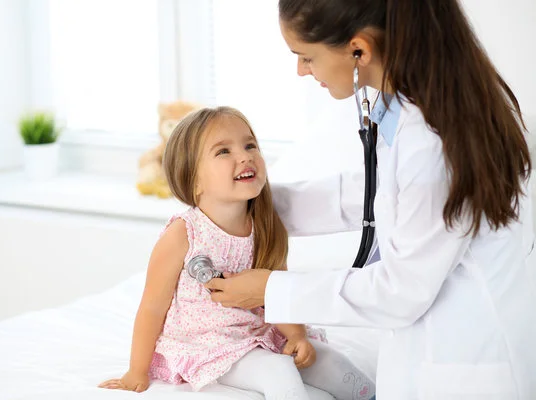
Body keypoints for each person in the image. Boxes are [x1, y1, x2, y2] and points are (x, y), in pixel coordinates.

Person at [204, 1, 536, 399]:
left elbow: (401, 291)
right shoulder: (409, 105)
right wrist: (246, 206)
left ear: (359, 49)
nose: (301, 71)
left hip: (468, 370)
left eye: (307, 57)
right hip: (435, 350)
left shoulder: (435, 145)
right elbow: (376, 193)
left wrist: (272, 290)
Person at [98, 106, 375, 400]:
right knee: (278, 372)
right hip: (209, 343)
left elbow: (276, 291)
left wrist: (297, 336)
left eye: (249, 145)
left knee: (335, 365)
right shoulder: (183, 234)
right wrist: (136, 371)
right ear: (193, 179)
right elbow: (152, 307)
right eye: (223, 152)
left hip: (260, 332)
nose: (244, 156)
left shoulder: (266, 224)